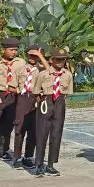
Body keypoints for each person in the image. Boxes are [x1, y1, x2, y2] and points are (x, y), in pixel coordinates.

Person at [32, 47, 73, 177]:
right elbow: (36, 91)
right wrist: (42, 102)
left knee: (56, 134)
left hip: (59, 102)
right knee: (42, 134)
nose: (60, 62)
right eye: (58, 59)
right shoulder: (43, 74)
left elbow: (67, 93)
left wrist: (59, 102)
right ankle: (39, 164)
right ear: (51, 60)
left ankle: (50, 164)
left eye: (63, 59)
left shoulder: (67, 74)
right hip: (45, 101)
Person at [0, 37, 22, 161]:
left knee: (8, 124)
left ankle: (3, 150)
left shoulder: (20, 62)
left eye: (16, 50)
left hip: (13, 95)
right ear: (3, 50)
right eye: (11, 50)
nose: (14, 52)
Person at [10, 46, 45, 169]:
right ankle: (17, 157)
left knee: (34, 130)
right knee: (20, 129)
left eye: (35, 56)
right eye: (31, 55)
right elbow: (11, 86)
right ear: (26, 55)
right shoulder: (20, 70)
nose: (32, 58)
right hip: (23, 98)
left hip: (37, 98)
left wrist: (41, 57)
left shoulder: (42, 70)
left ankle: (28, 157)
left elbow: (50, 72)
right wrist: (20, 91)